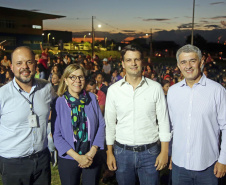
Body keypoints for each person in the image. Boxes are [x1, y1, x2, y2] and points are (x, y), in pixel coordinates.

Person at [105, 45, 171, 185]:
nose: (133, 63)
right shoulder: (113, 90)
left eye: (137, 59)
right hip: (122, 152)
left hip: (150, 152)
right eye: (129, 60)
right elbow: (110, 125)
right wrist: (109, 152)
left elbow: (164, 122)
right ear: (123, 63)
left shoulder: (155, 88)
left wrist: (164, 152)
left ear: (143, 62)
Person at [167, 44, 226, 185]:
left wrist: (223, 160)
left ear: (201, 62)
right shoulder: (173, 91)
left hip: (208, 166)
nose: (188, 66)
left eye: (192, 61)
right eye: (183, 62)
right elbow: (173, 127)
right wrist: (171, 155)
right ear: (178, 66)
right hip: (179, 165)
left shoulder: (217, 91)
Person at [0, 46, 56, 185]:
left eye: (29, 62)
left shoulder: (47, 88)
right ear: (11, 67)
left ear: (35, 65)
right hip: (12, 162)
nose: (24, 67)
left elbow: (59, 109)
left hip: (42, 159)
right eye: (19, 63)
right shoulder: (2, 95)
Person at [52, 64, 105, 185]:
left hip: (92, 155)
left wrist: (92, 151)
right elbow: (56, 135)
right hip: (69, 157)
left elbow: (101, 125)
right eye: (73, 77)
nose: (77, 80)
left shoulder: (91, 98)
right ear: (65, 80)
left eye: (80, 77)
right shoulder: (58, 102)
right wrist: (78, 157)